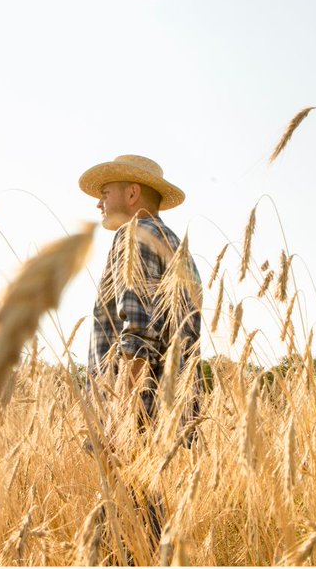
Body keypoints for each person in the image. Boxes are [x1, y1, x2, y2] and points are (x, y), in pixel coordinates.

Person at [78, 154, 204, 438]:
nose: (99, 203)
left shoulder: (134, 236)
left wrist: (121, 418)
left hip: (137, 418)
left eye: (105, 193)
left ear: (132, 193)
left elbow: (137, 331)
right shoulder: (172, 241)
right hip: (171, 415)